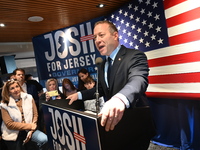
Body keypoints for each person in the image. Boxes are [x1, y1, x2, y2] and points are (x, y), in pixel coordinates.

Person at [67, 20, 155, 149]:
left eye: (101, 35)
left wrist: (120, 98)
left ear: (115, 35)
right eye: (95, 37)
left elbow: (138, 80)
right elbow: (101, 89)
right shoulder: (103, 65)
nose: (97, 40)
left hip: (135, 125)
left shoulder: (135, 56)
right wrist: (78, 95)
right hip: (115, 126)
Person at [0, 80, 48, 150]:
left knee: (44, 139)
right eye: (12, 88)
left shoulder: (29, 97)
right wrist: (30, 126)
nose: (16, 89)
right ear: (8, 91)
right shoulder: (4, 104)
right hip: (13, 133)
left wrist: (32, 129)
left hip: (30, 129)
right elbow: (9, 124)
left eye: (17, 86)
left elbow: (35, 114)